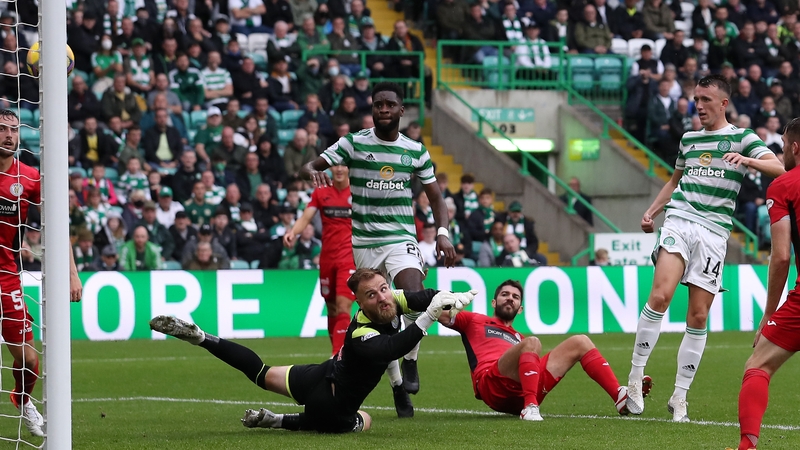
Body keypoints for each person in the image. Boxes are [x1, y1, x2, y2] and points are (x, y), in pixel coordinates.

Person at [626, 75, 785, 422]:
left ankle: (679, 396)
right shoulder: (689, 139)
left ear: (724, 103)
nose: (698, 106)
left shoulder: (742, 137)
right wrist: (653, 210)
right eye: (696, 99)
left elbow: (780, 166)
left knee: (698, 316)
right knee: (660, 296)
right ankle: (635, 379)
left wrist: (749, 161)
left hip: (715, 232)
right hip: (680, 221)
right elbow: (675, 180)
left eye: (706, 100)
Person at [149, 268, 474, 433]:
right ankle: (276, 421)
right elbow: (395, 346)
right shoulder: (361, 333)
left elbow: (421, 296)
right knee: (364, 419)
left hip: (319, 374)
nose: (383, 297)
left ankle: (202, 338)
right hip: (333, 403)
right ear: (360, 304)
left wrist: (449, 294)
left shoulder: (391, 302)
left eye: (384, 289)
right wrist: (431, 315)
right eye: (372, 295)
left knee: (261, 372)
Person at [299, 82, 456, 418]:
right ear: (373, 109)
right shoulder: (353, 143)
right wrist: (312, 170)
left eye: (390, 104)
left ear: (401, 110)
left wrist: (442, 232)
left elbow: (436, 198)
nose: (383, 109)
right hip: (365, 244)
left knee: (414, 293)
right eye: (378, 104)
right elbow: (312, 164)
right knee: (382, 319)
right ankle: (399, 387)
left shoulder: (415, 150)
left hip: (400, 236)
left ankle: (411, 360)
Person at [440, 280, 650, 421]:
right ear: (494, 302)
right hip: (492, 385)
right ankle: (530, 407)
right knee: (533, 343)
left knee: (581, 341)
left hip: (521, 389)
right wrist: (445, 301)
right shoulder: (473, 319)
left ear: (520, 308)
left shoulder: (519, 338)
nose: (510, 298)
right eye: (504, 295)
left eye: (515, 297)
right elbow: (435, 311)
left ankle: (619, 396)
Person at [0, 109, 82, 438]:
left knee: (30, 361)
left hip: (6, 276)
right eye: (3, 128)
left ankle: (22, 398)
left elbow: (57, 224)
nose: (9, 134)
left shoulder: (30, 177)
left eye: (14, 129)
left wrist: (72, 274)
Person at [726, 118, 800, 450]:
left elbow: (781, 256)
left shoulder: (783, 186)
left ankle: (747, 446)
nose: (782, 152)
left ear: (794, 148)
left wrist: (769, 314)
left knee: (758, 365)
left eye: (783, 146)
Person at [283, 164, 354, 356]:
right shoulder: (321, 192)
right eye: (335, 165)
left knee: (343, 305)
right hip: (327, 258)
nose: (339, 169)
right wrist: (293, 232)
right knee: (331, 307)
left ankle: (338, 355)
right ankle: (338, 350)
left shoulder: (357, 191)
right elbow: (306, 217)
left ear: (349, 168)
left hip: (349, 258)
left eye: (343, 165)